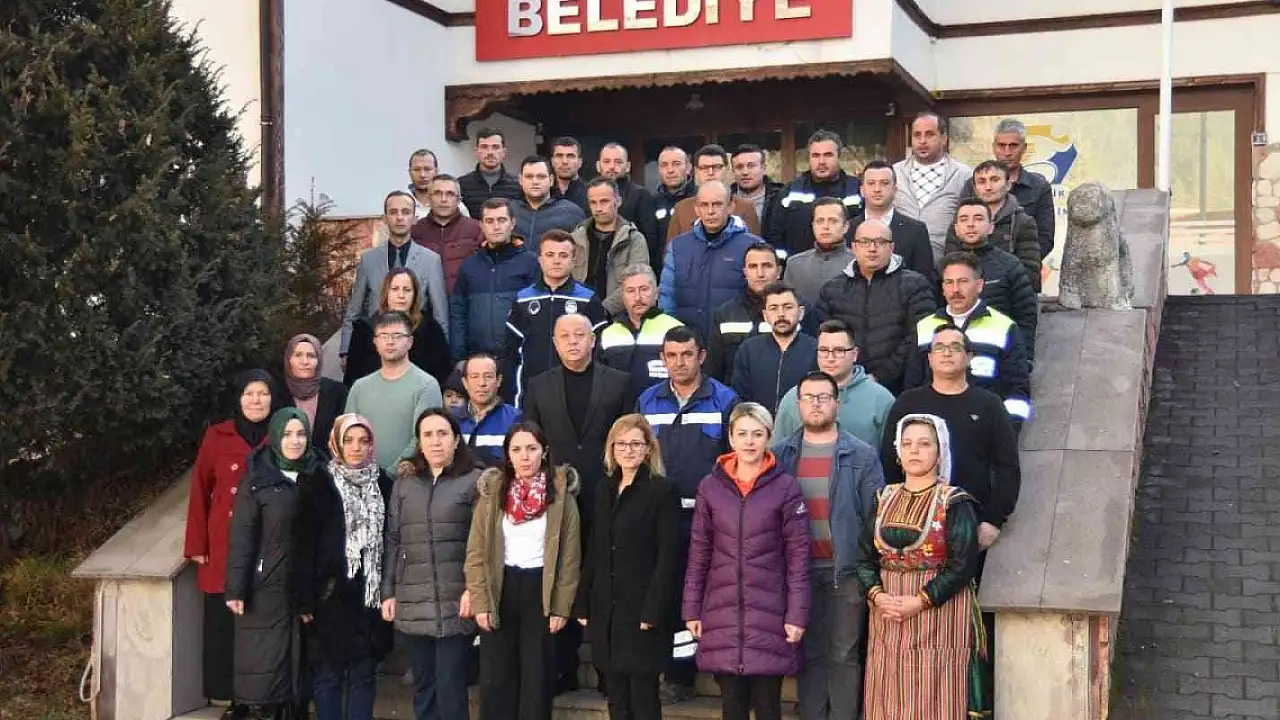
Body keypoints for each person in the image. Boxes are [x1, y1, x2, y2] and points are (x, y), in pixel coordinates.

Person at [522, 313, 634, 692]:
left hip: (608, 497)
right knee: (559, 579)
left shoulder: (619, 382)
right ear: (555, 344)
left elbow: (628, 437)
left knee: (605, 581)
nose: (573, 341)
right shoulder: (538, 386)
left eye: (580, 334)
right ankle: (562, 668)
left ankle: (608, 670)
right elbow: (531, 441)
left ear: (593, 340)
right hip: (556, 500)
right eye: (565, 335)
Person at [682, 403, 811, 720]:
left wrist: (797, 614)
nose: (749, 441)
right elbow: (699, 553)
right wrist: (692, 609)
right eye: (742, 434)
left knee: (767, 706)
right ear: (730, 437)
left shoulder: (785, 487)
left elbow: (798, 558)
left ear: (769, 437)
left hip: (770, 613)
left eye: (757, 434)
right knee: (732, 705)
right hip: (722, 612)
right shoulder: (710, 487)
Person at [858, 414, 988, 720]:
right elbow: (863, 558)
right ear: (898, 452)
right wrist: (878, 596)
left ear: (940, 452)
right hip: (888, 615)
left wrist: (919, 601)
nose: (914, 450)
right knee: (888, 692)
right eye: (907, 444)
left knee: (935, 694)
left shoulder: (954, 502)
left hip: (940, 614)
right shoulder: (883, 497)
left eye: (924, 444)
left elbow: (963, 564)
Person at [772, 371, 885, 720]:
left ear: (837, 403)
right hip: (798, 573)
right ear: (798, 404)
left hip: (845, 571)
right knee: (809, 652)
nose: (816, 404)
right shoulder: (780, 455)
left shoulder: (862, 455)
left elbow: (874, 518)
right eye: (809, 397)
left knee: (844, 653)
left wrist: (866, 568)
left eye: (824, 397)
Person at [635, 325, 739, 704]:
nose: (679, 362)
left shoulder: (724, 400)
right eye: (672, 355)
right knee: (666, 595)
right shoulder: (647, 401)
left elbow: (733, 461)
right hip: (659, 519)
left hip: (706, 519)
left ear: (702, 356)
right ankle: (672, 675)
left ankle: (706, 675)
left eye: (687, 354)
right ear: (663, 359)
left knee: (706, 598)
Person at [465, 422, 582, 720]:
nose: (524, 456)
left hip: (540, 590)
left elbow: (570, 558)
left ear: (544, 452)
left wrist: (561, 606)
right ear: (507, 455)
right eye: (516, 449)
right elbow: (476, 552)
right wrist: (480, 601)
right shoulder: (494, 493)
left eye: (531, 448)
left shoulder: (561, 497)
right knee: (496, 679)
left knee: (536, 679)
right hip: (501, 587)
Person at [573, 415, 680, 720]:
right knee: (615, 696)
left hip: (642, 609)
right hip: (607, 608)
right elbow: (595, 549)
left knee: (643, 698)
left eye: (635, 444)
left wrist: (653, 609)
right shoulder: (604, 488)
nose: (628, 450)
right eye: (620, 444)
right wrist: (583, 600)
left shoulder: (662, 491)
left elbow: (668, 556)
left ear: (648, 449)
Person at [882, 325, 1021, 557]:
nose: (946, 353)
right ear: (929, 358)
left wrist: (994, 520)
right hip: (914, 521)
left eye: (955, 347)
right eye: (939, 347)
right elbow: (889, 459)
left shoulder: (989, 405)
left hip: (971, 522)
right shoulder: (908, 403)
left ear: (969, 357)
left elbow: (1007, 466)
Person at [184, 370, 276, 720]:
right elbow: (200, 489)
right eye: (249, 393)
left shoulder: (282, 432)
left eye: (263, 393)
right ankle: (235, 701)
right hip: (224, 544)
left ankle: (266, 699)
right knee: (226, 626)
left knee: (262, 625)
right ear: (238, 398)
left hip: (269, 544)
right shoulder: (217, 435)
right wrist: (197, 543)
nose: (256, 400)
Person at [382, 409, 483, 720]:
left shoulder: (474, 481)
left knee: (451, 689)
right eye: (428, 435)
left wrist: (473, 589)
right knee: (424, 687)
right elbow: (393, 539)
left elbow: (482, 543)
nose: (436, 441)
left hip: (457, 601)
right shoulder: (405, 484)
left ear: (456, 440)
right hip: (414, 600)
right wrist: (388, 591)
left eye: (442, 434)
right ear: (419, 442)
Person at [293, 414, 394, 720]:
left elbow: (393, 539)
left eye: (363, 441)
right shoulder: (319, 484)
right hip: (329, 596)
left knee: (364, 675)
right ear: (336, 443)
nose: (356, 447)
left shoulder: (384, 484)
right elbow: (302, 543)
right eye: (348, 440)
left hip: (369, 597)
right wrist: (303, 598)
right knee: (328, 676)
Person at [224, 408, 322, 719]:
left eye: (301, 434)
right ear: (276, 437)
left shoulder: (318, 474)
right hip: (265, 590)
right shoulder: (257, 479)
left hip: (306, 588)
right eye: (288, 434)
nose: (295, 441)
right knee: (265, 671)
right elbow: (242, 536)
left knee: (301, 671)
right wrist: (236, 588)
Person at [905, 253, 1032, 431]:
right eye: (949, 282)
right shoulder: (924, 327)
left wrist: (1008, 431)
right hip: (933, 434)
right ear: (942, 287)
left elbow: (1017, 389)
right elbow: (912, 386)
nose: (955, 289)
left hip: (985, 431)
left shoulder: (1004, 327)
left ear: (979, 285)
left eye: (963, 281)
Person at [813, 219, 935, 395]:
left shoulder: (915, 285)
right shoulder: (832, 289)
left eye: (880, 242)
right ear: (854, 247)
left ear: (891, 248)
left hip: (900, 387)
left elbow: (916, 337)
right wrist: (851, 377)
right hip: (844, 385)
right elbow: (823, 339)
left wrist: (880, 376)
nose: (872, 248)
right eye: (864, 242)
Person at [342, 191, 448, 364]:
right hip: (375, 349)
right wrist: (345, 350)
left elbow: (440, 314)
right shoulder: (369, 260)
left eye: (406, 212)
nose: (399, 218)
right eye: (393, 212)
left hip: (418, 350)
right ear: (385, 218)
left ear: (414, 218)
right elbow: (354, 309)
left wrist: (443, 354)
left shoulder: (431, 260)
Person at [505, 229, 607, 406]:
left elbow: (598, 350)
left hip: (577, 393)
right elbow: (511, 353)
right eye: (550, 255)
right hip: (532, 392)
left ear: (573, 260)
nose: (556, 261)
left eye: (563, 255)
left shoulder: (588, 298)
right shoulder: (522, 299)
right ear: (540, 259)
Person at [659, 181, 760, 339]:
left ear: (730, 206)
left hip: (735, 342)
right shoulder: (678, 246)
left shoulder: (752, 246)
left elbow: (760, 298)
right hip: (688, 343)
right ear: (696, 209)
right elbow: (667, 297)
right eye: (704, 205)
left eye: (717, 204)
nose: (710, 211)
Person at [345, 311, 444, 471]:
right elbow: (347, 434)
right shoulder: (359, 387)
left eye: (397, 336)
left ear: (410, 341)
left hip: (410, 479)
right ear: (375, 342)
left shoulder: (426, 385)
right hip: (362, 478)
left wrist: (390, 475)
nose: (390, 342)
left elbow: (422, 437)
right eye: (383, 336)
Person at [449, 198, 541, 371]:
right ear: (481, 226)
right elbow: (458, 313)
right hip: (478, 358)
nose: (496, 226)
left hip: (519, 357)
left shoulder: (530, 263)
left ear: (512, 223)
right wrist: (459, 357)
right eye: (489, 221)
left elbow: (539, 312)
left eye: (502, 220)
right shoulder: (469, 266)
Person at [773, 319, 894, 448]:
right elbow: (777, 452)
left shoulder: (880, 399)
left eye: (839, 351)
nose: (830, 358)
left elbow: (890, 454)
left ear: (854, 354)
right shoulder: (794, 397)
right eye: (824, 350)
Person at [952, 198, 1039, 358]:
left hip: (1000, 354)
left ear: (991, 226)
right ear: (956, 228)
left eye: (978, 218)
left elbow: (1026, 316)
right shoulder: (944, 267)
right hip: (954, 357)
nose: (970, 224)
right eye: (964, 219)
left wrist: (1025, 359)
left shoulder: (1010, 265)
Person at [344, 268, 452, 386]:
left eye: (407, 290)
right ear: (386, 293)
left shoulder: (431, 329)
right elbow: (352, 379)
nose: (401, 295)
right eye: (395, 289)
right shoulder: (364, 330)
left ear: (415, 294)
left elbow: (443, 375)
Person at [765, 129, 863, 258]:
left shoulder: (857, 189)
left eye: (828, 155)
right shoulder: (790, 192)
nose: (821, 161)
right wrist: (785, 265)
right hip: (800, 268)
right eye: (816, 155)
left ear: (839, 157)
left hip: (847, 267)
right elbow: (774, 235)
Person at [967, 118, 1056, 258]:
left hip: (1023, 266)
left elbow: (1045, 238)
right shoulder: (973, 184)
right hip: (976, 265)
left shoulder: (1039, 186)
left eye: (1013, 146)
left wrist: (1016, 266)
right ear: (993, 147)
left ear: (1024, 148)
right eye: (1001, 145)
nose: (1007, 152)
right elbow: (958, 230)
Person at [949, 160, 1042, 292]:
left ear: (1008, 185)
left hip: (1009, 294)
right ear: (974, 188)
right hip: (966, 294)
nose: (988, 187)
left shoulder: (1023, 222)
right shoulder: (961, 221)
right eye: (981, 181)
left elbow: (1030, 273)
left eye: (994, 180)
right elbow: (950, 266)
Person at [893, 113, 974, 261]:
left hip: (944, 262)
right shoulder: (894, 172)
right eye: (917, 135)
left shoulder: (963, 175)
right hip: (898, 260)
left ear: (944, 138)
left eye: (929, 134)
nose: (922, 141)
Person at [599, 264, 684, 400]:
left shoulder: (675, 329)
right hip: (619, 411)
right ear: (622, 297)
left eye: (644, 289)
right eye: (631, 291)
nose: (638, 297)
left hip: (662, 408)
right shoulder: (608, 335)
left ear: (656, 293)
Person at [731, 283, 817, 414]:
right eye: (773, 308)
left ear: (801, 313)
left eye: (788, 307)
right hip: (759, 424)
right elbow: (740, 398)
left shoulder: (816, 350)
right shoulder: (749, 350)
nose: (781, 314)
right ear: (765, 315)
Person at [570, 177, 651, 316]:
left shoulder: (634, 239)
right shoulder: (575, 238)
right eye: (593, 202)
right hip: (577, 314)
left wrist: (603, 310)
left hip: (619, 318)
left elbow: (636, 282)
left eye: (604, 201)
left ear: (618, 201)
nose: (598, 208)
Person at [706, 241, 781, 381]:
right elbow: (713, 371)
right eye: (753, 267)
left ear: (778, 271)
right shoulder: (724, 314)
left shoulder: (798, 312)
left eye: (767, 266)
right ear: (745, 272)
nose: (760, 273)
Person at [852, 160, 936, 282]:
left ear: (895, 189)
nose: (877, 189)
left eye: (884, 183)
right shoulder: (849, 228)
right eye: (871, 183)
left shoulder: (916, 230)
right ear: (862, 190)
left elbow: (925, 279)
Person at [665, 144, 762, 242]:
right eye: (704, 167)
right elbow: (671, 248)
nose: (710, 172)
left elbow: (756, 246)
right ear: (696, 171)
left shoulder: (745, 207)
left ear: (727, 169)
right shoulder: (682, 209)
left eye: (716, 167)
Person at [410, 173, 484, 293]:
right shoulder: (415, 231)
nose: (443, 199)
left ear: (459, 200)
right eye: (437, 193)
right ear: (429, 198)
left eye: (450, 194)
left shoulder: (476, 229)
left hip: (465, 300)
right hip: (426, 300)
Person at [596, 142, 660, 270]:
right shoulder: (590, 194)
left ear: (628, 166)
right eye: (607, 161)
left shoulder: (641, 195)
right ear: (598, 166)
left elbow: (650, 240)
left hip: (630, 267)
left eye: (618, 162)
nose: (612, 166)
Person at [283, 334, 348, 457]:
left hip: (327, 465)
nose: (305, 362)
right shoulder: (277, 393)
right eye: (298, 355)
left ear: (319, 360)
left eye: (311, 356)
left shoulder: (338, 393)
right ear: (288, 360)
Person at [784, 198, 854, 308]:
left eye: (833, 221)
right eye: (820, 221)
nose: (825, 226)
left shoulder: (858, 262)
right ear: (813, 225)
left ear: (845, 226)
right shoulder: (794, 264)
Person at [456, 352, 522, 467]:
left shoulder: (516, 419)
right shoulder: (450, 420)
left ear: (499, 380)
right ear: (465, 383)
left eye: (488, 376)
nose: (482, 383)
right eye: (475, 376)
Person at [511, 155, 587, 251]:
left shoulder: (572, 213)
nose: (535, 182)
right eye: (529, 177)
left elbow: (581, 252)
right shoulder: (508, 211)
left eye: (541, 176)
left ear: (551, 180)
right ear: (520, 180)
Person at [459, 127, 523, 217]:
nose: (490, 152)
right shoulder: (461, 185)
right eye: (484, 147)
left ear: (504, 152)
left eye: (495, 147)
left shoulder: (518, 185)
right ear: (477, 151)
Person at [731, 143, 784, 236]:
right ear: (733, 171)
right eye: (739, 167)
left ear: (763, 168)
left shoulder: (781, 197)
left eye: (751, 166)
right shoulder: (726, 200)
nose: (745, 172)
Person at [652, 145, 696, 250]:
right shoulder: (651, 202)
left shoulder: (700, 199)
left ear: (688, 167)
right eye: (664, 165)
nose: (670, 170)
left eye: (676, 164)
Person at [549, 136, 589, 213]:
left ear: (580, 162)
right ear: (552, 161)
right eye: (559, 156)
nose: (564, 161)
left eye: (570, 156)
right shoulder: (544, 192)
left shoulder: (590, 193)